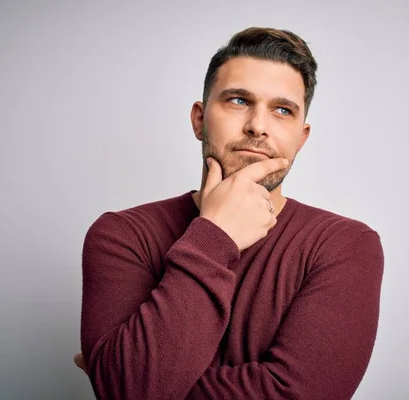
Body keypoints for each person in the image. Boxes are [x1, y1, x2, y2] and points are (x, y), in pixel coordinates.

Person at [73, 27, 384, 400]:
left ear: (301, 139)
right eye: (238, 100)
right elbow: (130, 388)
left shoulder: (344, 246)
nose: (258, 125)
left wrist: (132, 376)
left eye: (282, 110)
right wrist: (215, 235)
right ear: (199, 120)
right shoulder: (122, 235)